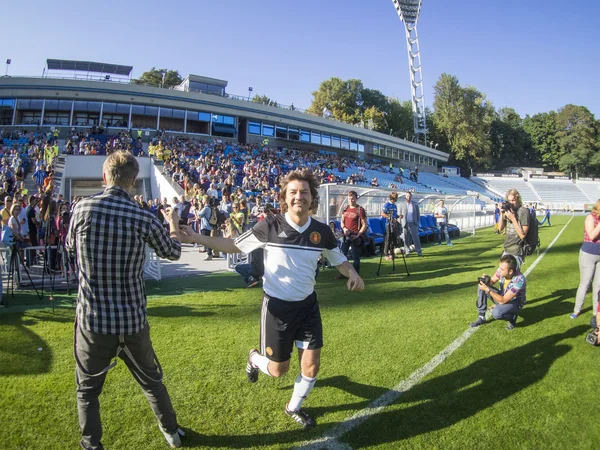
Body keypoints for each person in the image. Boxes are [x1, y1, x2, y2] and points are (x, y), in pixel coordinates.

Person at [178, 169, 364, 429]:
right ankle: (254, 358)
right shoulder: (270, 225)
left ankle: (293, 408)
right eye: (293, 192)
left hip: (308, 306)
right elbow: (234, 245)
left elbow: (339, 260)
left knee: (311, 366)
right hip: (276, 308)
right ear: (285, 198)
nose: (299, 196)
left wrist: (352, 273)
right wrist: (197, 237)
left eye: (304, 192)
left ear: (312, 198)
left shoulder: (322, 232)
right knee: (279, 370)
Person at [66, 151, 185, 450]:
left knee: (88, 391)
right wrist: (173, 222)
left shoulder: (82, 209)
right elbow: (173, 252)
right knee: (152, 383)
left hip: (93, 321)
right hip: (132, 320)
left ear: (104, 177)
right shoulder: (141, 215)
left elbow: (70, 248)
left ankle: (91, 444)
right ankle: (173, 434)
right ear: (133, 181)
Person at [470, 254, 526, 330]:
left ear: (510, 271)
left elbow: (503, 301)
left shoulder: (519, 280)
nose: (499, 270)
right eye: (499, 267)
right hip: (503, 296)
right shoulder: (502, 271)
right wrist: (486, 280)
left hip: (515, 303)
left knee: (496, 313)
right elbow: (492, 281)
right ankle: (481, 317)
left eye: (502, 269)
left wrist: (488, 290)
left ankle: (512, 317)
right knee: (482, 286)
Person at [571, 199, 600, 319]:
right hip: (588, 254)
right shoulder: (590, 218)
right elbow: (592, 235)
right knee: (585, 283)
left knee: (598, 286)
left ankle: (595, 312)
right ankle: (577, 310)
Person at [498, 189, 529, 269]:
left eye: (513, 200)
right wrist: (501, 213)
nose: (511, 203)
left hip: (517, 251)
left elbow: (522, 235)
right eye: (509, 201)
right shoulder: (508, 211)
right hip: (507, 249)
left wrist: (513, 219)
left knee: (513, 278)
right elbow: (500, 228)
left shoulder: (524, 211)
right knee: (503, 276)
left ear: (518, 199)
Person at [340, 190, 367, 276]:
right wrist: (344, 228)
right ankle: (344, 273)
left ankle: (356, 275)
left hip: (355, 236)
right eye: (349, 199)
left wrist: (359, 234)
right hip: (346, 235)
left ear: (356, 199)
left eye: (353, 199)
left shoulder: (360, 210)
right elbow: (342, 222)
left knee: (356, 257)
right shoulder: (345, 208)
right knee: (342, 256)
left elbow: (364, 224)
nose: (351, 200)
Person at [399, 191, 422, 256]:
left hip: (413, 223)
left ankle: (419, 251)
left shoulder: (415, 204)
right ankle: (407, 251)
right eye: (407, 196)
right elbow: (400, 215)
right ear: (405, 196)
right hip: (405, 224)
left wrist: (417, 222)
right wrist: (401, 223)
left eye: (410, 196)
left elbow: (418, 214)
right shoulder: (402, 204)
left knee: (416, 238)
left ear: (411, 196)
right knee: (406, 238)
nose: (409, 197)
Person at [381, 192, 399, 261]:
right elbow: (382, 213)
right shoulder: (387, 204)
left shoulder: (394, 206)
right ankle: (385, 254)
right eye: (396, 197)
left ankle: (392, 254)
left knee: (393, 239)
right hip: (388, 224)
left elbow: (395, 215)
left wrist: (398, 216)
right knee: (388, 239)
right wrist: (389, 217)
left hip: (394, 225)